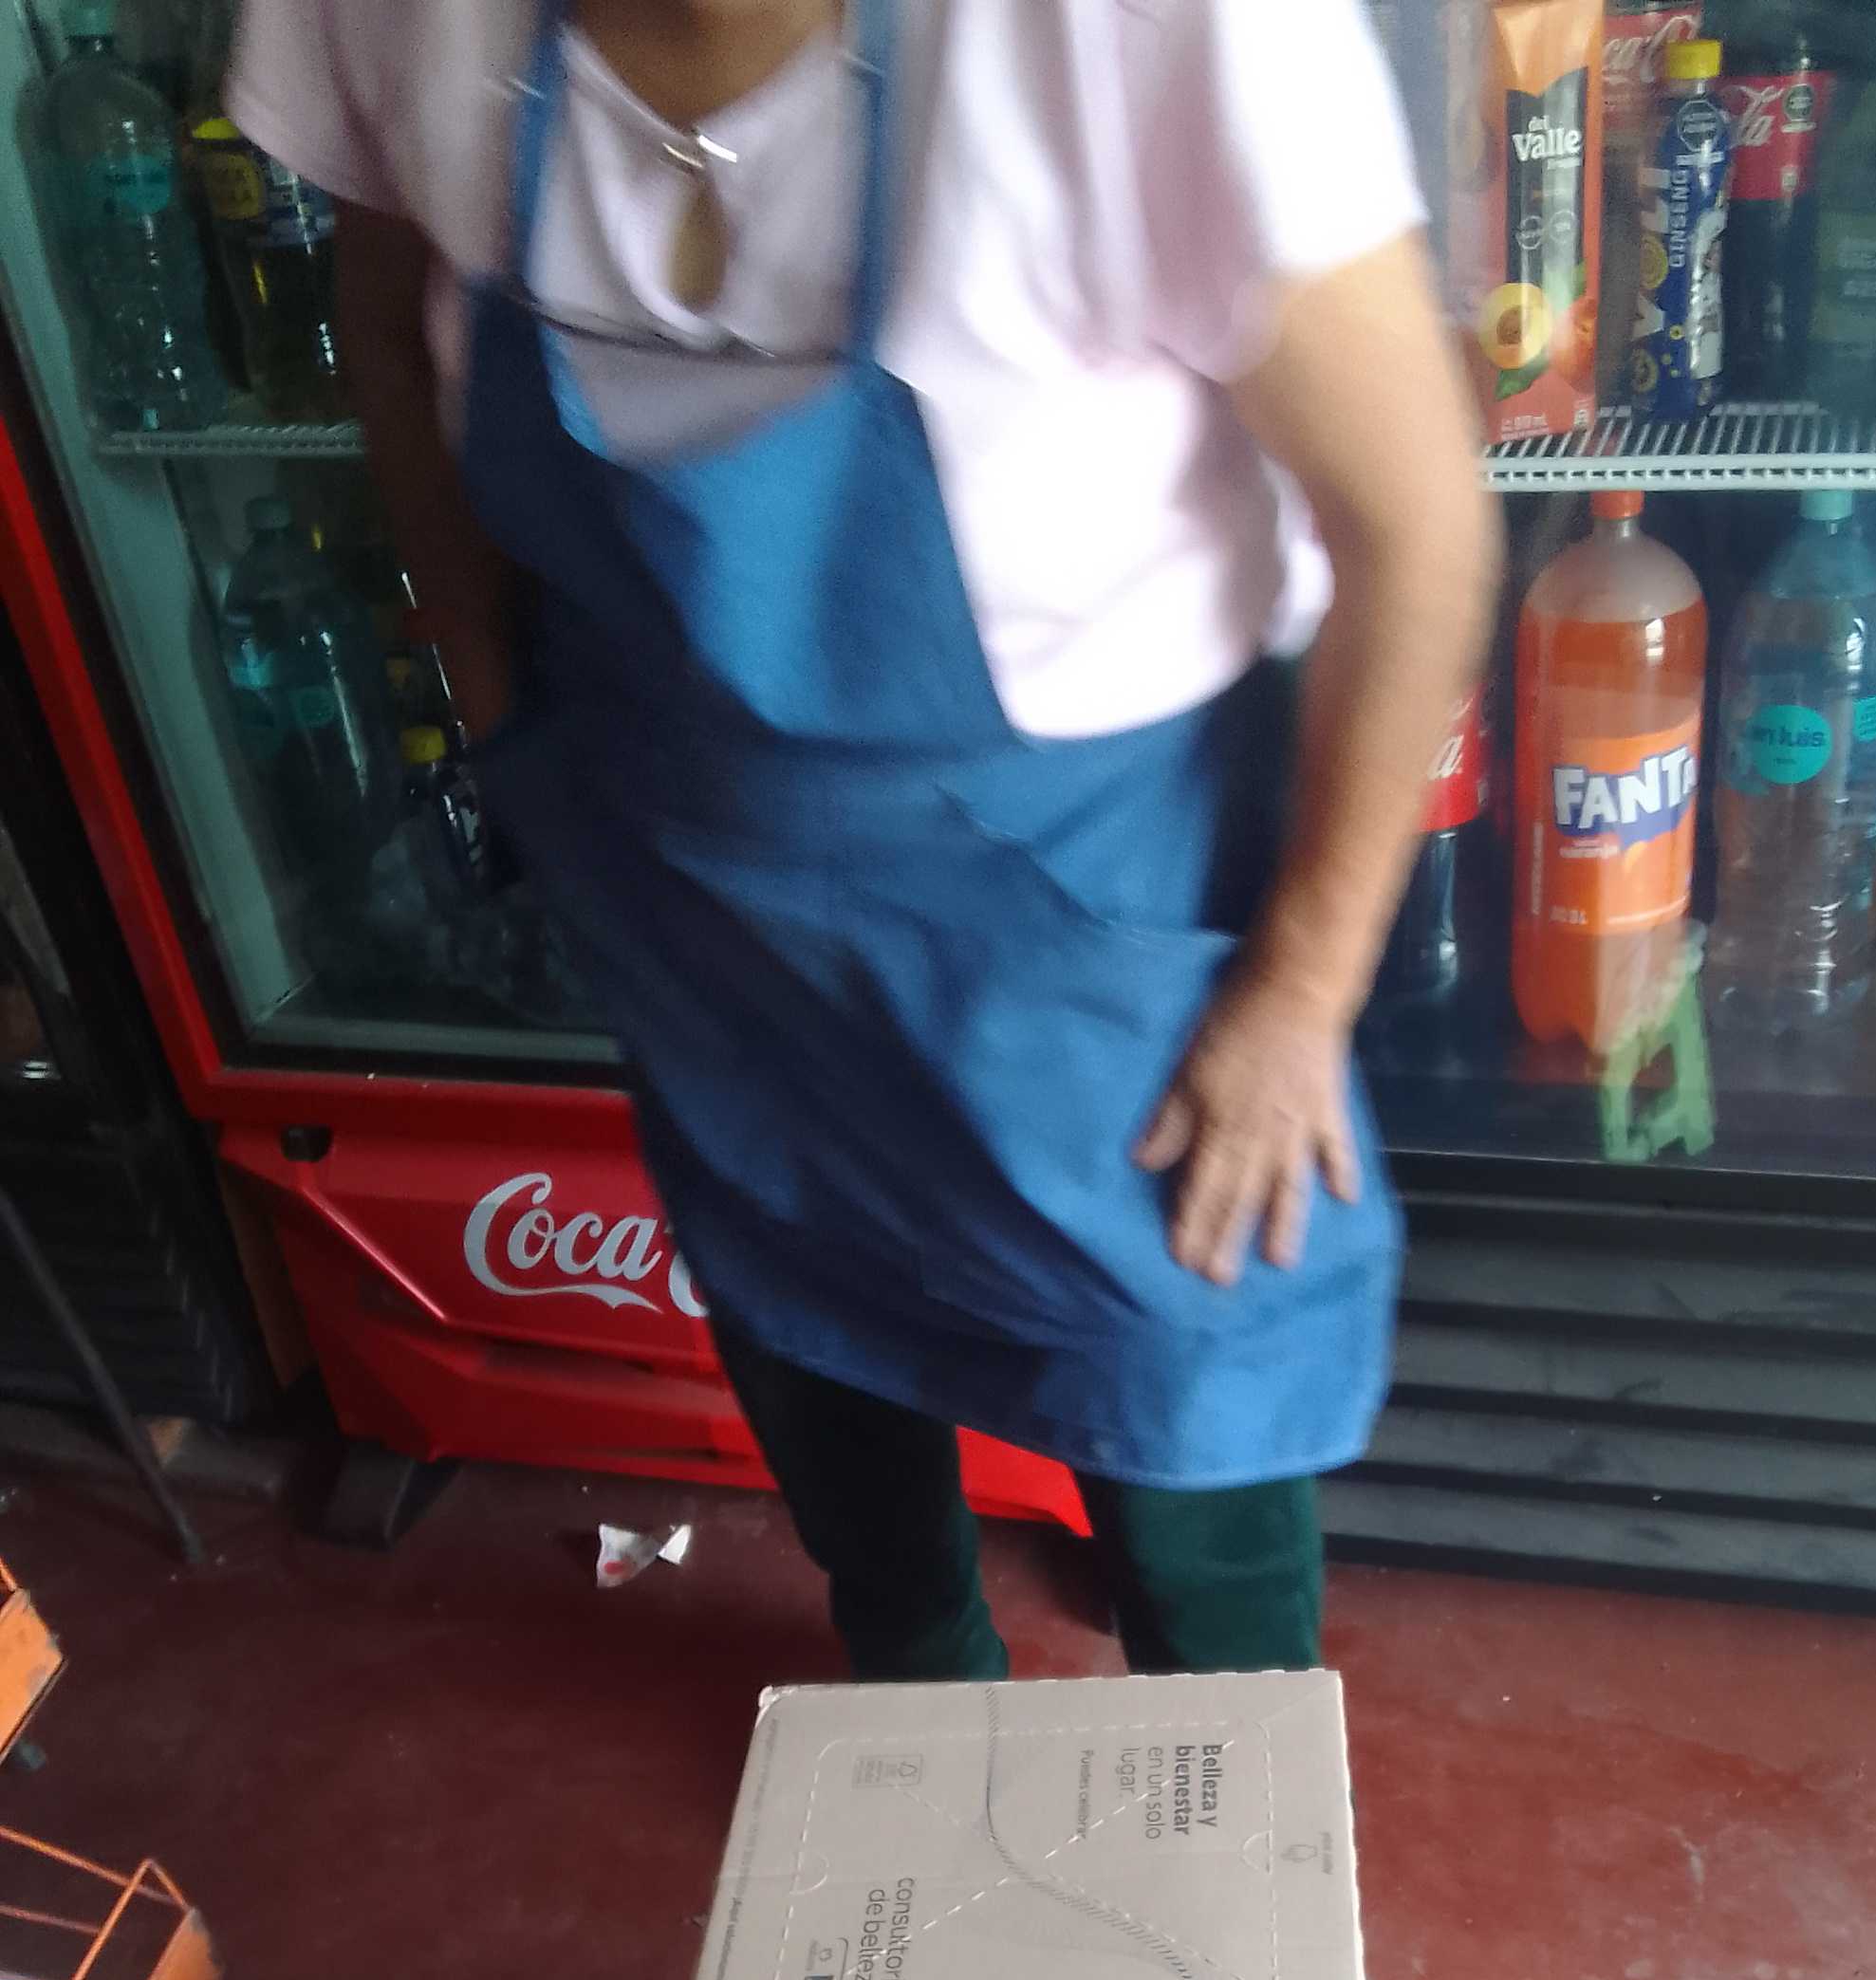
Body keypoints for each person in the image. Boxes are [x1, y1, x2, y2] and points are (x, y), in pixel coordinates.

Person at [226, 0, 1496, 1679]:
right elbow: (389, 328)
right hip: (698, 896)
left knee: (1182, 1366)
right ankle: (913, 1692)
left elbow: (1417, 524)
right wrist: (491, 691)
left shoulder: (1154, 30)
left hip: (1078, 904)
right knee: (809, 1329)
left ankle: (1228, 1757)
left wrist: (1301, 990)